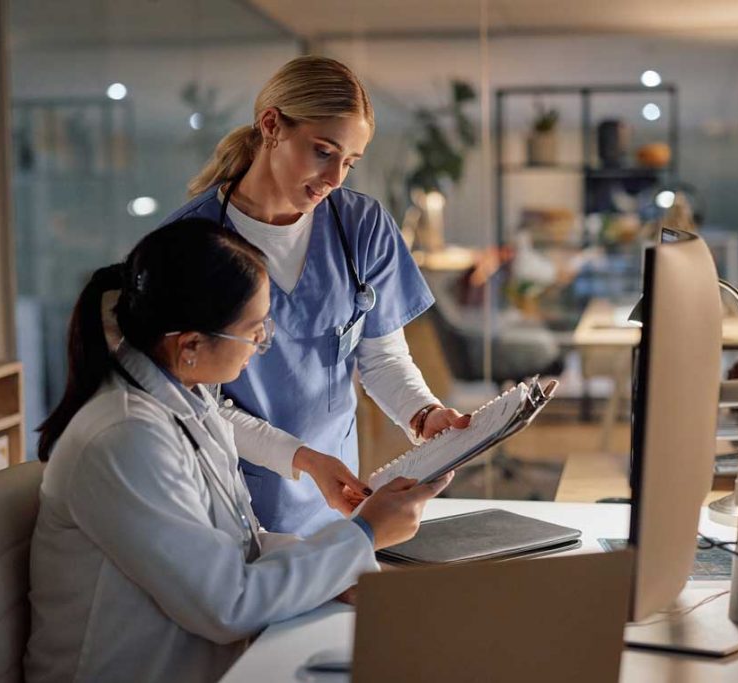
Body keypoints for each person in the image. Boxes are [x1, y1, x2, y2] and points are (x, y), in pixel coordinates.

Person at [24, 219, 451, 683]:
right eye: (254, 331)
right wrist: (363, 535)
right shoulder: (125, 438)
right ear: (189, 345)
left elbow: (236, 548)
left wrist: (340, 569)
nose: (262, 344)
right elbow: (228, 603)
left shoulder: (188, 400)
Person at [161, 55, 469, 536]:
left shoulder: (360, 226)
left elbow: (382, 359)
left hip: (338, 499)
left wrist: (423, 413)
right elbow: (200, 402)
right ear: (271, 126)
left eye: (349, 162)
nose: (335, 179)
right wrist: (302, 459)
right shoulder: (191, 244)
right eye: (323, 151)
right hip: (232, 503)